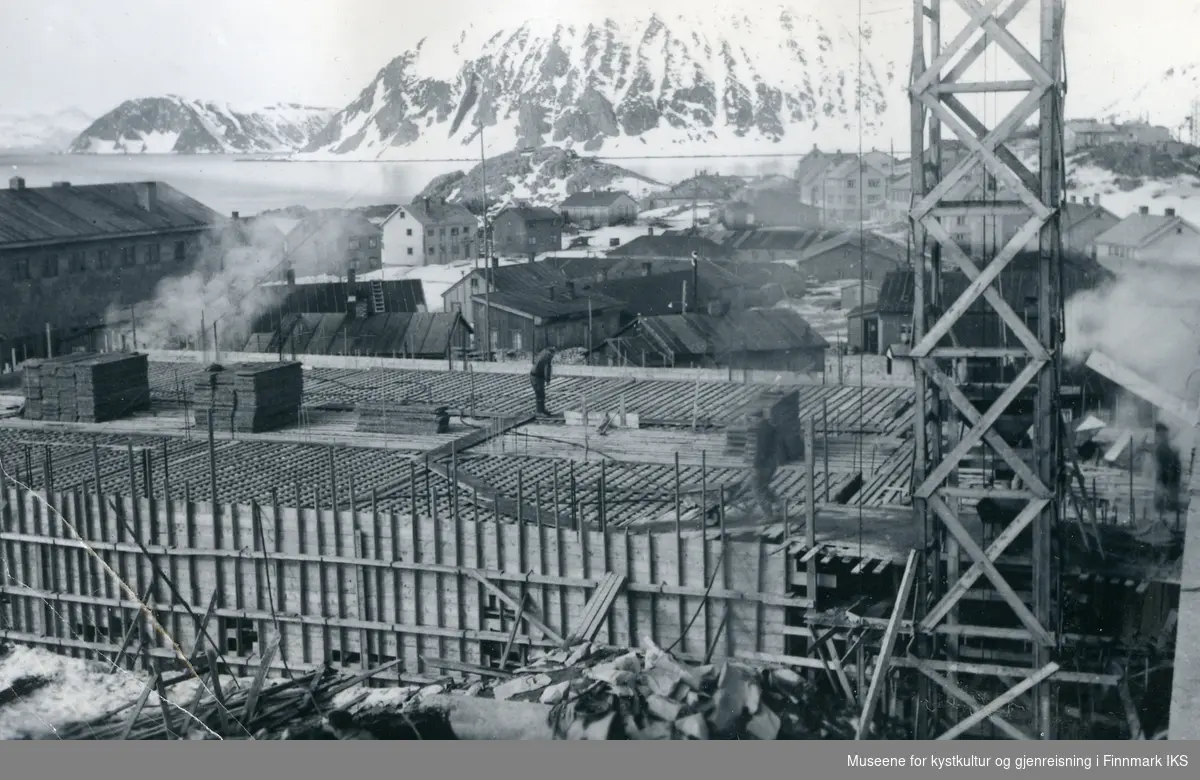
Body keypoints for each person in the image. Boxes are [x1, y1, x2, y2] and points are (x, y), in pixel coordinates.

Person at [749, 409, 781, 520]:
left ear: (757, 418)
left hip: (763, 464)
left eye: (752, 419)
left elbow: (760, 450)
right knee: (764, 486)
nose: (751, 421)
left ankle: (768, 515)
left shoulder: (761, 430)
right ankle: (779, 505)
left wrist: (755, 465)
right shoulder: (770, 427)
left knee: (757, 488)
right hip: (772, 462)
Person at [1153, 422, 1182, 526]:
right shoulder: (1163, 447)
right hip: (1165, 481)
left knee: (1164, 506)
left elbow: (1165, 467)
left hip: (1166, 482)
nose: (1165, 435)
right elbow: (1162, 467)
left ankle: (1163, 524)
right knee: (1164, 506)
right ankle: (1163, 524)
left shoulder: (1163, 447)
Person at [530, 345, 557, 416]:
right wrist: (548, 380)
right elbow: (547, 369)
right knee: (540, 394)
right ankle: (539, 412)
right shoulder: (547, 357)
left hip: (537, 376)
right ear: (552, 353)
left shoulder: (543, 353)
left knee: (541, 394)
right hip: (536, 377)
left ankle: (542, 410)